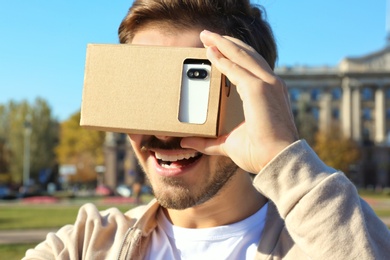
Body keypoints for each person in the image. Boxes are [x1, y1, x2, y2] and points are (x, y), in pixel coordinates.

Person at [24, 0, 390, 259]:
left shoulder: (316, 241)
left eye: (193, 86)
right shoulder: (85, 245)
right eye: (147, 92)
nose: (165, 134)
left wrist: (286, 159)